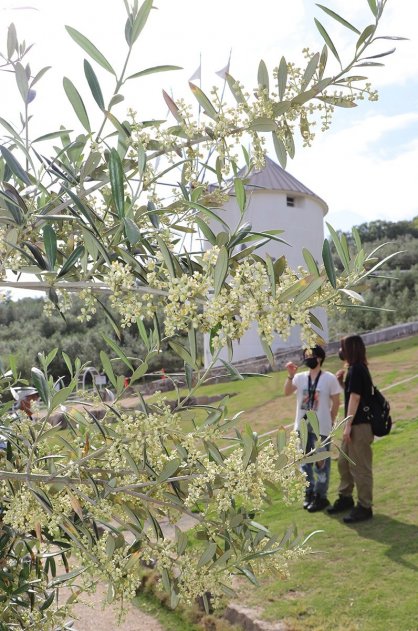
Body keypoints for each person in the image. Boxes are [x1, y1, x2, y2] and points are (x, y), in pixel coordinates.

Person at [284, 345, 341, 512]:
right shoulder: (300, 378)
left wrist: (330, 421)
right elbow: (287, 392)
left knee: (321, 462)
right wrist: (290, 375)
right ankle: (309, 491)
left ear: (320, 358)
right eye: (305, 355)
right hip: (301, 426)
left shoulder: (329, 378)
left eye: (311, 355)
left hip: (321, 427)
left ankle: (321, 496)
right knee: (304, 461)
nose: (308, 358)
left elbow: (336, 402)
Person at [327, 334, 374, 523]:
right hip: (355, 424)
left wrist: (347, 426)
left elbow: (355, 399)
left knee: (360, 468)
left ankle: (365, 507)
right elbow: (354, 393)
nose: (340, 351)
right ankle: (346, 498)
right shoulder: (355, 369)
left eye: (342, 347)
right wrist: (341, 384)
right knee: (343, 463)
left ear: (350, 349)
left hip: (359, 426)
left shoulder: (357, 369)